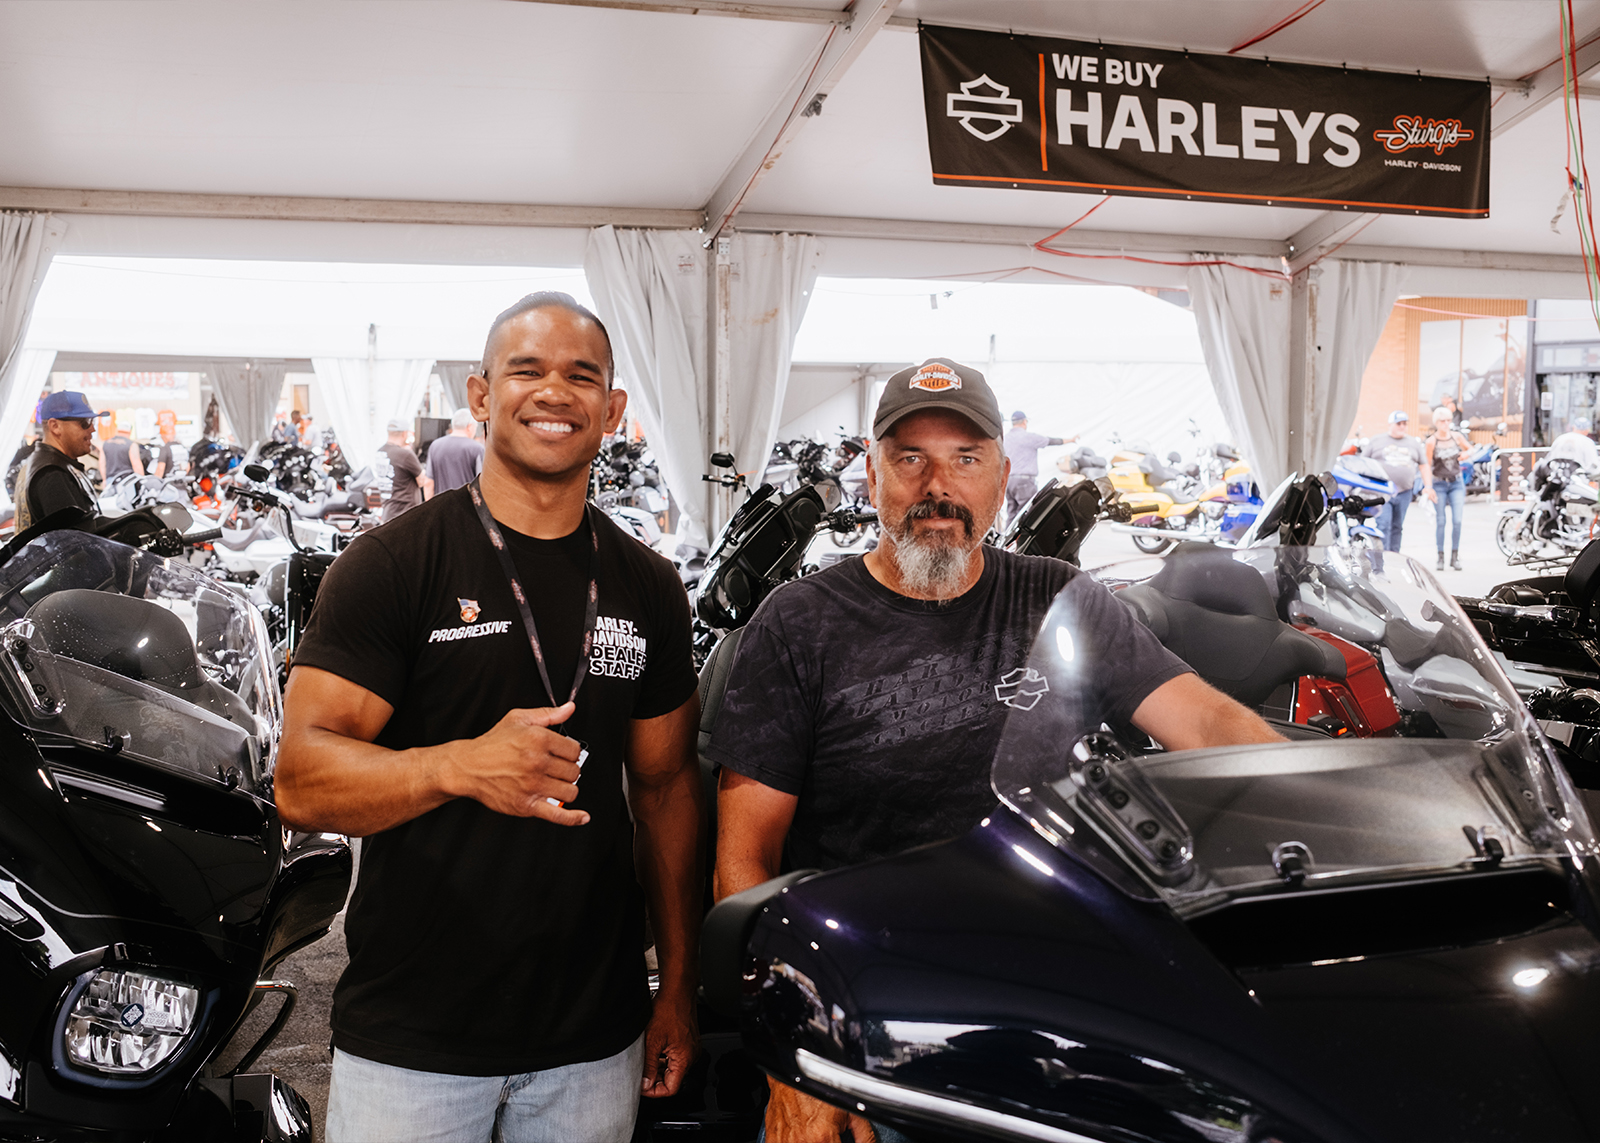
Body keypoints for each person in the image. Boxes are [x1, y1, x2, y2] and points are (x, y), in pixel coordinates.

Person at [706, 358, 1282, 1143]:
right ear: (873, 473)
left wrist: (1329, 799)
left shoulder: (1058, 599)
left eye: (965, 459)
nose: (936, 485)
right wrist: (795, 1059)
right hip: (872, 1029)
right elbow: (745, 855)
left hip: (1051, 1020)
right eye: (909, 457)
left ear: (1003, 476)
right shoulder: (798, 622)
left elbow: (1213, 728)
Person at [275, 292, 702, 1143]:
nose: (556, 392)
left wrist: (680, 989)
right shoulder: (392, 565)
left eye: (582, 376)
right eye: (527, 371)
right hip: (414, 1039)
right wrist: (452, 765)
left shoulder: (648, 585)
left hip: (591, 1039)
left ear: (613, 409)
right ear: (480, 395)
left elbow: (664, 791)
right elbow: (300, 779)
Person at [14, 391, 110, 532]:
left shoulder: (46, 463)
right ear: (55, 426)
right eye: (85, 423)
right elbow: (74, 547)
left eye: (92, 421)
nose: (92, 429)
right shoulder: (52, 474)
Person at [1361, 411, 1426, 553]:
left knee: (1397, 526)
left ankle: (1394, 556)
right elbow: (1363, 463)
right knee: (1384, 524)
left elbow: (1424, 464)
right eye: (1398, 424)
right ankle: (1382, 558)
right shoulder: (1376, 441)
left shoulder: (1413, 443)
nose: (1402, 427)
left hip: (1404, 491)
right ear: (1390, 425)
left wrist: (1428, 486)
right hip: (1382, 492)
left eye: (1404, 424)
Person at [1003, 410, 1075, 522]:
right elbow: (1050, 441)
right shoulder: (1029, 437)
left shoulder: (1005, 439)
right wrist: (1070, 440)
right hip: (1024, 483)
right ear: (1024, 422)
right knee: (1027, 513)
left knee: (1011, 514)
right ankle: (1021, 539)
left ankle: (1006, 539)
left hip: (1008, 481)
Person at [1423, 406, 1471, 571]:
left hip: (1456, 482)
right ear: (1437, 422)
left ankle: (1455, 556)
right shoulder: (1431, 441)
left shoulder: (1456, 437)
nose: (1446, 424)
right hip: (1439, 483)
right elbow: (1427, 465)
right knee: (1441, 521)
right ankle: (1440, 556)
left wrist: (1466, 454)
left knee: (1457, 520)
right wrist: (1428, 487)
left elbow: (1470, 448)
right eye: (1442, 421)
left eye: (1448, 420)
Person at [376, 419, 431, 523]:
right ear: (404, 434)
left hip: (388, 511)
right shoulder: (405, 454)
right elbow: (422, 481)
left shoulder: (380, 452)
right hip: (405, 513)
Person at [425, 407, 486, 494]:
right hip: (466, 505)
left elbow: (428, 482)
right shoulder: (477, 448)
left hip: (441, 505)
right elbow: (482, 483)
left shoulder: (435, 445)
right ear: (469, 426)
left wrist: (431, 506)